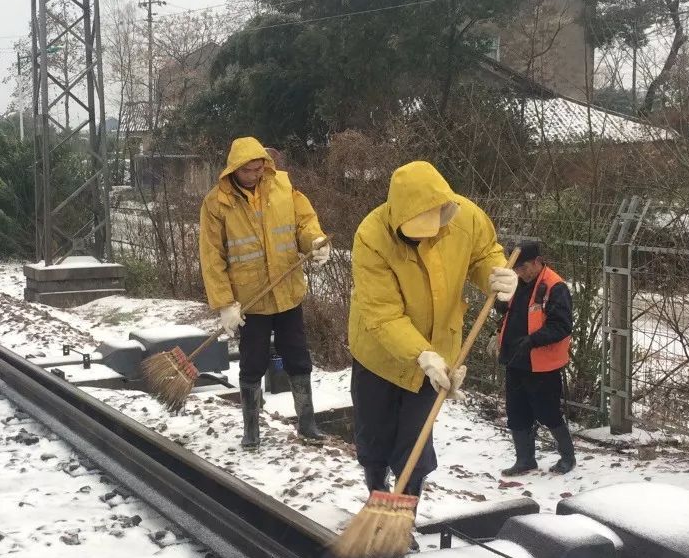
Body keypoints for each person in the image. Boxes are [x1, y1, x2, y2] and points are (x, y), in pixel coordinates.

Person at [348, 161, 516, 495]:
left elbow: (484, 255)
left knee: (416, 441)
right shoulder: (372, 236)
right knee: (375, 435)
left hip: (438, 359)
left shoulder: (466, 217)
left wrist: (496, 275)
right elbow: (382, 314)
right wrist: (420, 354)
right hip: (378, 355)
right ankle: (377, 495)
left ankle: (404, 513)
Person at [199, 137, 330, 448]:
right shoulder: (216, 204)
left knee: (297, 356)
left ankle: (307, 423)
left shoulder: (282, 186)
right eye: (249, 171)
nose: (256, 175)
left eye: (260, 168)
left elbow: (304, 223)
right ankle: (251, 429)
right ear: (234, 170)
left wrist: (314, 241)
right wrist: (225, 303)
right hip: (251, 301)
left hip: (287, 293)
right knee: (253, 362)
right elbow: (212, 256)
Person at [492, 241, 576, 476]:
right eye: (517, 268)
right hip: (514, 358)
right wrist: (499, 301)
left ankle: (567, 456)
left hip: (542, 363)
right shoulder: (516, 282)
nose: (521, 272)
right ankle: (525, 459)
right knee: (516, 411)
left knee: (547, 411)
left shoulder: (554, 287)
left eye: (525, 267)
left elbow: (562, 326)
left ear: (538, 262)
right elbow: (505, 311)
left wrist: (532, 340)